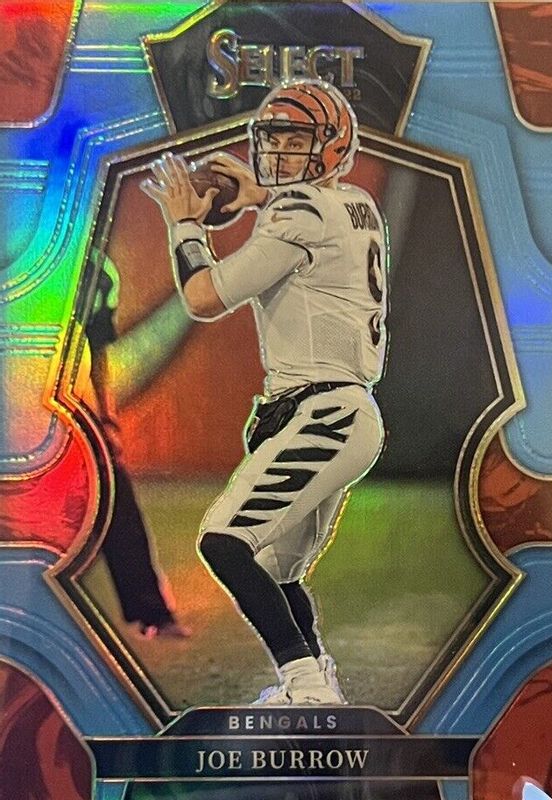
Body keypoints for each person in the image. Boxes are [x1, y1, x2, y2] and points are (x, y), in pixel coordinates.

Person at [142, 80, 389, 702]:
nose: (278, 152)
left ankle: (303, 681)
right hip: (337, 409)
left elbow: (203, 298)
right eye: (273, 137)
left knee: (224, 542)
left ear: (332, 145)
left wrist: (185, 226)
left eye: (296, 140)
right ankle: (317, 679)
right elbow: (309, 212)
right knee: (275, 568)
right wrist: (259, 196)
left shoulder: (299, 211)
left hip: (324, 412)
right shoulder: (356, 203)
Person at [82, 249, 192, 639]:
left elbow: (97, 355)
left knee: (114, 497)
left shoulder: (96, 270)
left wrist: (105, 418)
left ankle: (153, 612)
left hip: (68, 406)